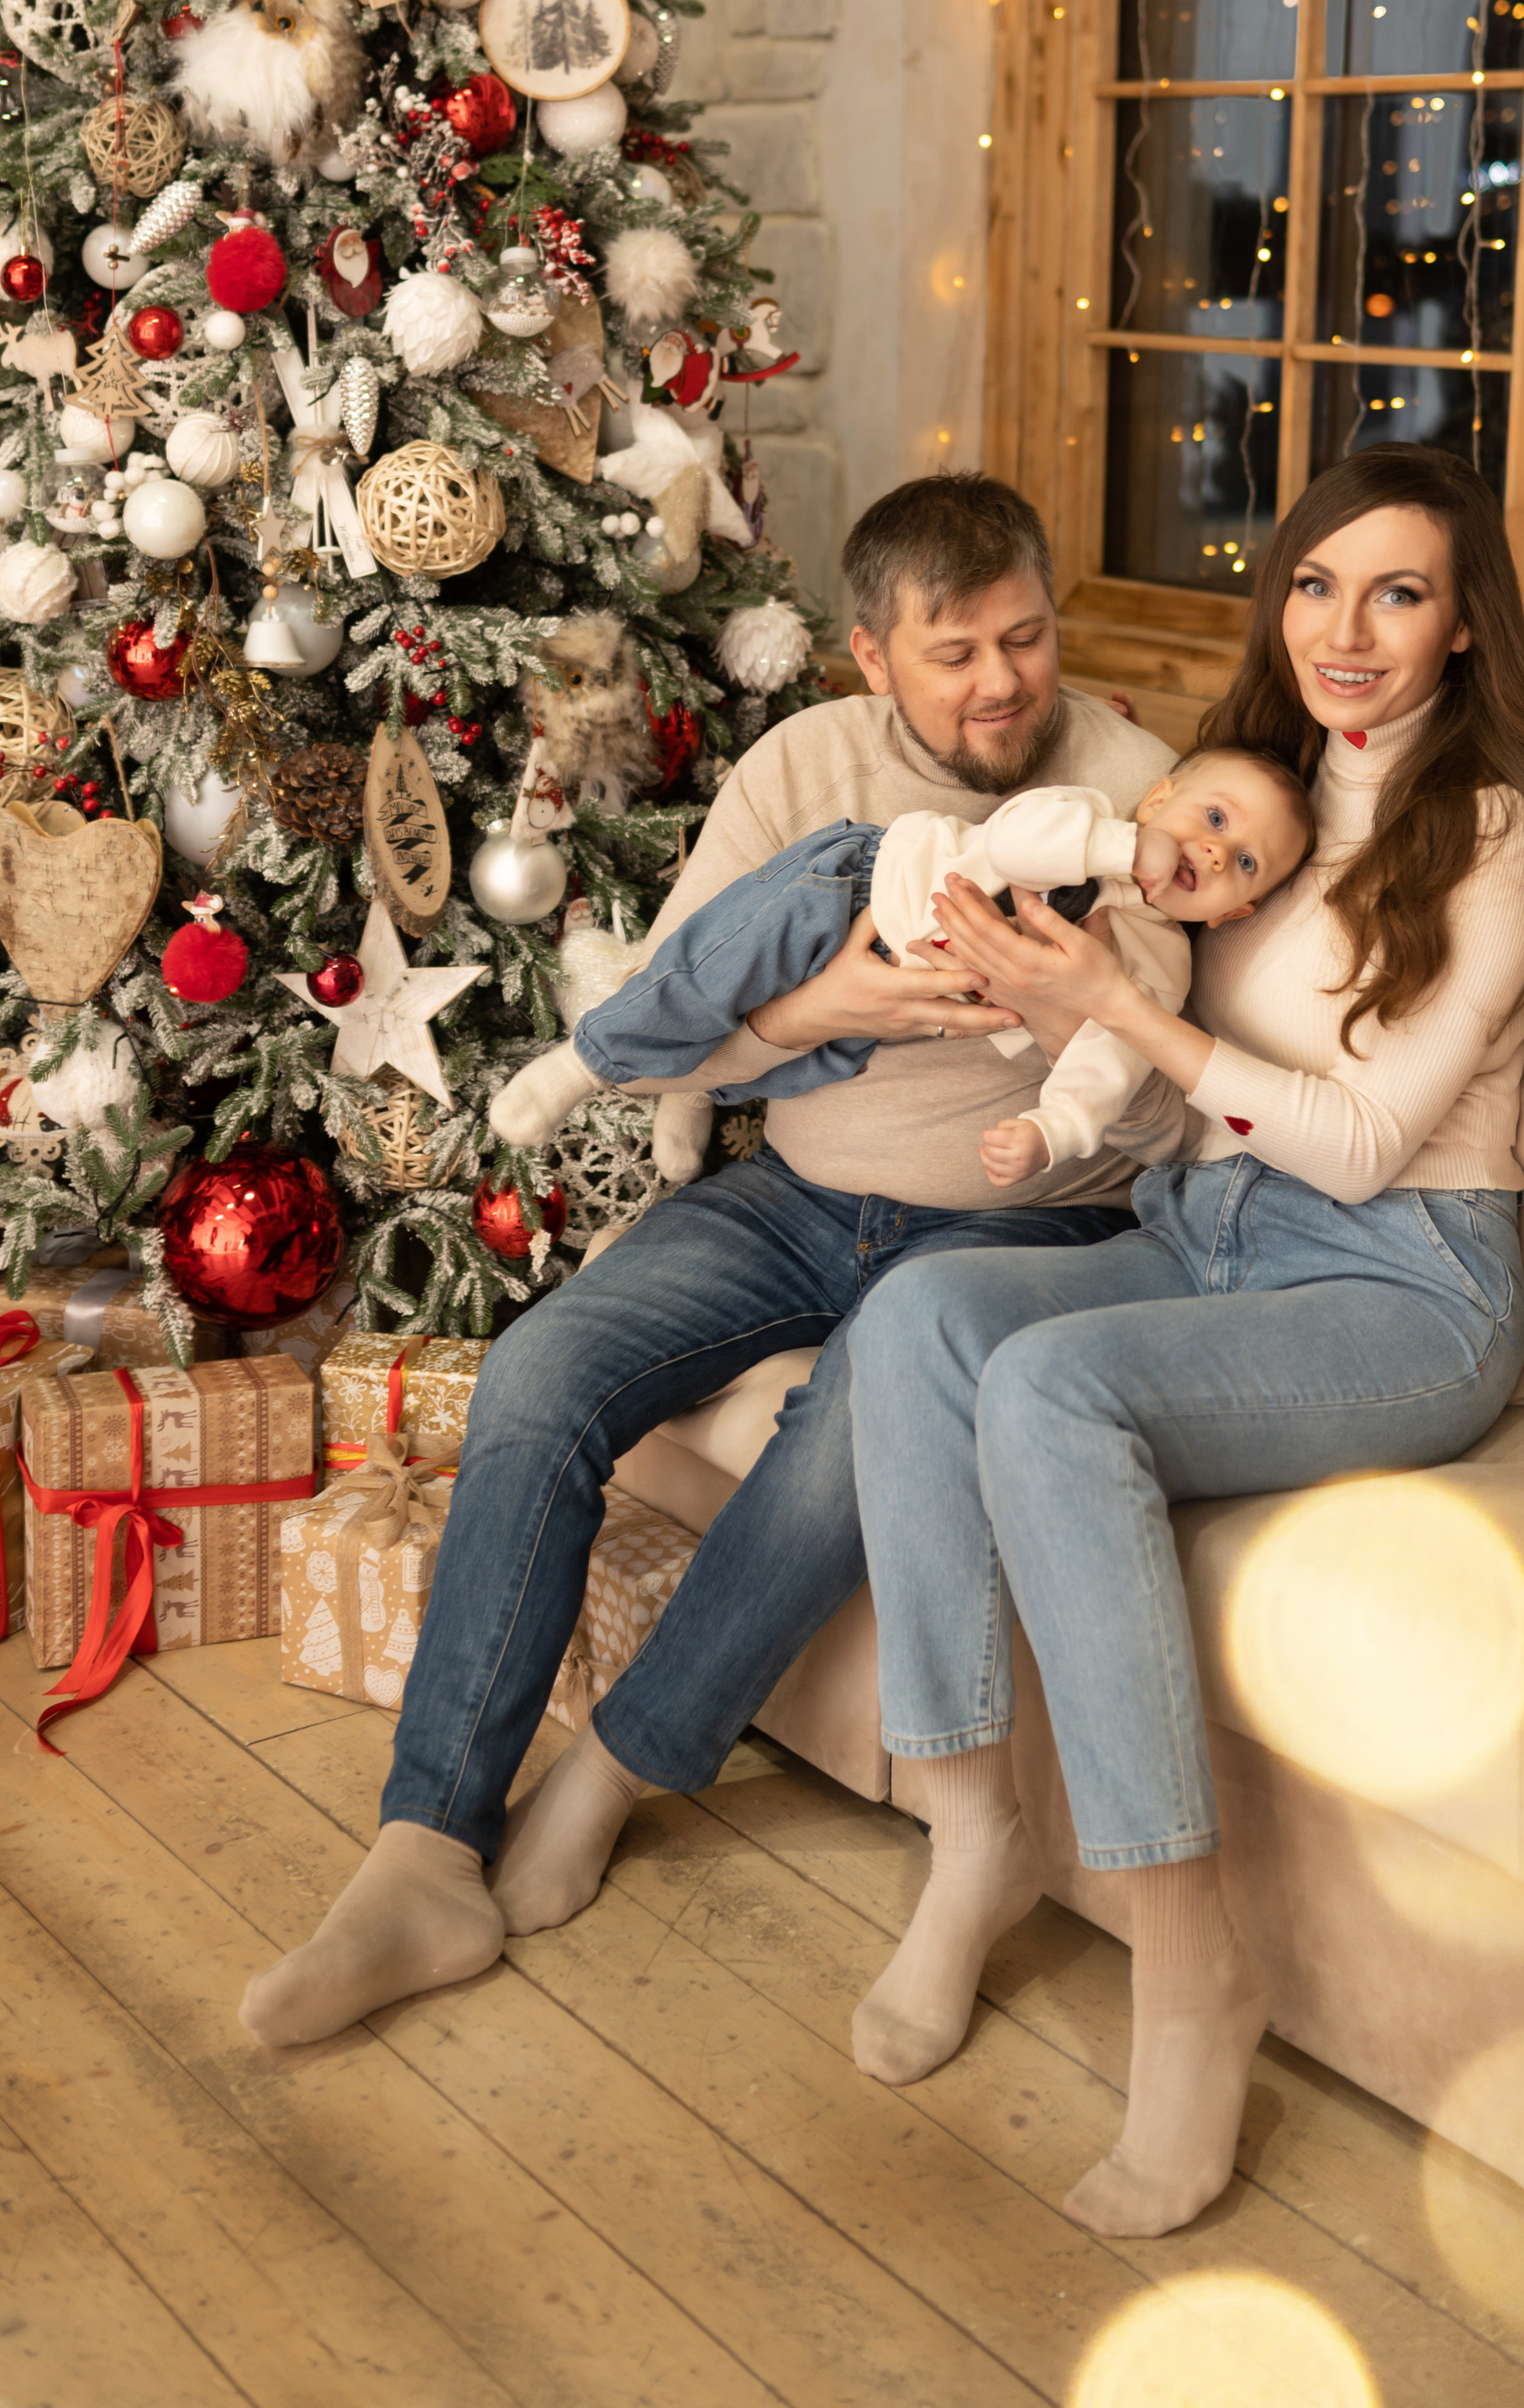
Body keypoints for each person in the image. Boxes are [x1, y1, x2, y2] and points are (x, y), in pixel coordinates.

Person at [241, 471, 1190, 2048]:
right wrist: (832, 1015)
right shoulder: (800, 767)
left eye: (1027, 639)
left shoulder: (1135, 793)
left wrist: (1056, 1007)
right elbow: (676, 1023)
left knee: (836, 1441)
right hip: (801, 1196)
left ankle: (610, 1777)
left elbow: (1162, 1109)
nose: (1006, 683)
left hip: (1024, 1226)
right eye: (955, 653)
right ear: (871, 655)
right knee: (542, 1373)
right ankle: (422, 1850)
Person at [843, 447, 1524, 2237]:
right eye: (1317, 584)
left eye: (1399, 592)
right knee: (923, 1313)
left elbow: (1353, 1140)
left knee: (1048, 1384)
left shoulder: (1490, 832)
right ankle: (974, 1840)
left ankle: (1187, 1971)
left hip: (1407, 1286)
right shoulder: (1245, 792)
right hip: (1211, 1232)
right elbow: (1153, 1024)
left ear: (1460, 628)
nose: (1347, 630)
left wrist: (1113, 1010)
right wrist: (1053, 1001)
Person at [490, 751, 1314, 1185]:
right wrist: (1127, 848)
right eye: (1211, 818)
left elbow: (1115, 1058)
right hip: (854, 889)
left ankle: (690, 1094)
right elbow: (1015, 842)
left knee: (826, 1059)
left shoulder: (1160, 966)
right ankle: (586, 1060)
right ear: (1157, 797)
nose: (1213, 848)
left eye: (1244, 864)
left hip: (919, 998)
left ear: (1234, 915)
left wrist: (1052, 1128)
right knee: (722, 966)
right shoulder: (1087, 820)